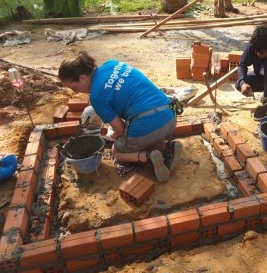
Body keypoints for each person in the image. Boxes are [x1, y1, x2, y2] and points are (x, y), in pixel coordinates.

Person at [58, 51, 182, 183]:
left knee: (117, 151)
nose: (76, 92)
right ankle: (167, 148)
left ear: (82, 78)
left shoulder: (96, 97)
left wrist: (114, 136)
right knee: (145, 135)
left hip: (148, 124)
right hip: (171, 115)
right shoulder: (111, 64)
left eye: (74, 87)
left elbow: (121, 129)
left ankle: (149, 157)